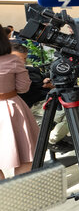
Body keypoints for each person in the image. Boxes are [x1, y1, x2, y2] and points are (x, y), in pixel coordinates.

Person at [0, 25, 39, 179]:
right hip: (11, 109)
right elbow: (23, 88)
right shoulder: (13, 60)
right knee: (24, 157)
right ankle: (24, 196)